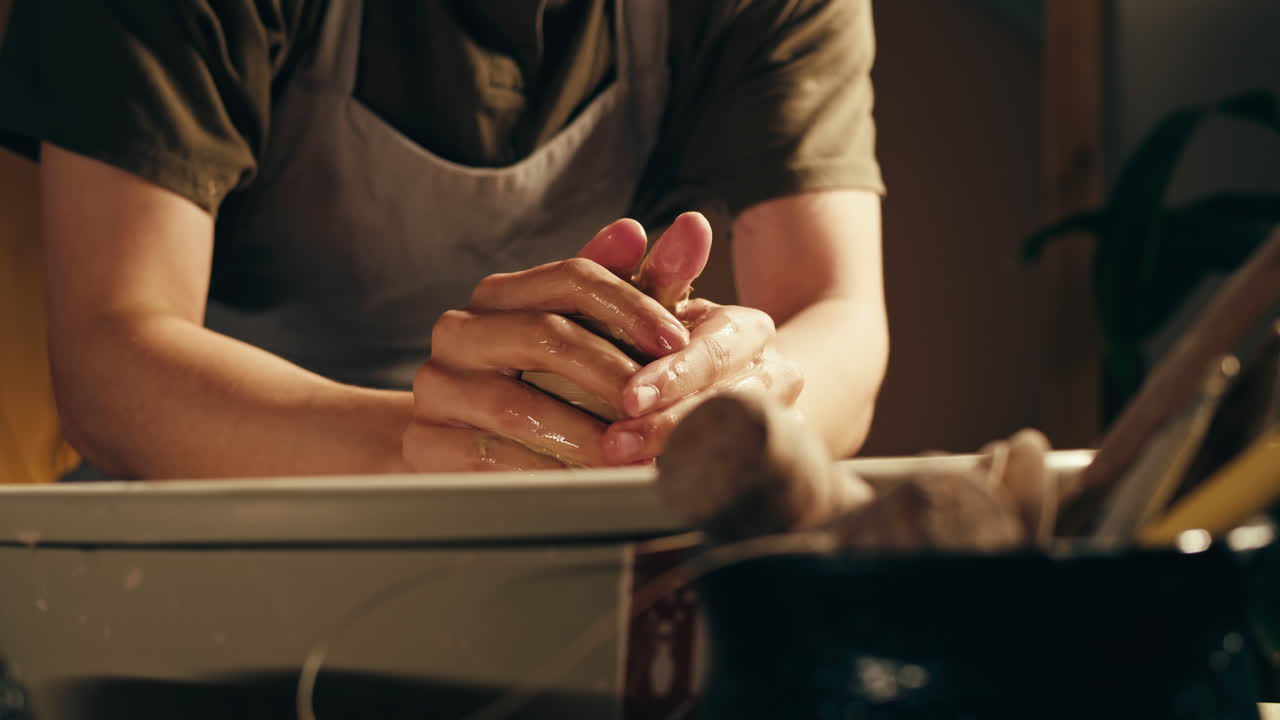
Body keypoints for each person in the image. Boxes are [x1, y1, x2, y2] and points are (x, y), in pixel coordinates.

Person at [0, 0, 888, 479]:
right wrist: (440, 443)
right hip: (210, 525)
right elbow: (111, 355)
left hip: (577, 511)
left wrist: (739, 398)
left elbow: (834, 313)